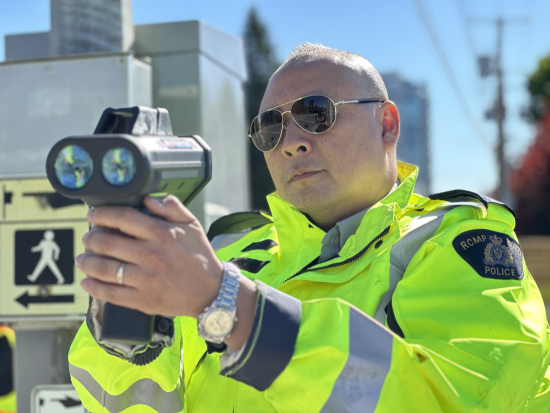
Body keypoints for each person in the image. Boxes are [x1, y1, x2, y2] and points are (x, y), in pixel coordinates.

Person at [68, 43, 550, 412]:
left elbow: (450, 397)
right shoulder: (226, 252)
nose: (290, 143)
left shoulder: (456, 243)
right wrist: (123, 316)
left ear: (386, 124)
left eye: (315, 114)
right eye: (270, 129)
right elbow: (127, 402)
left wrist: (228, 305)